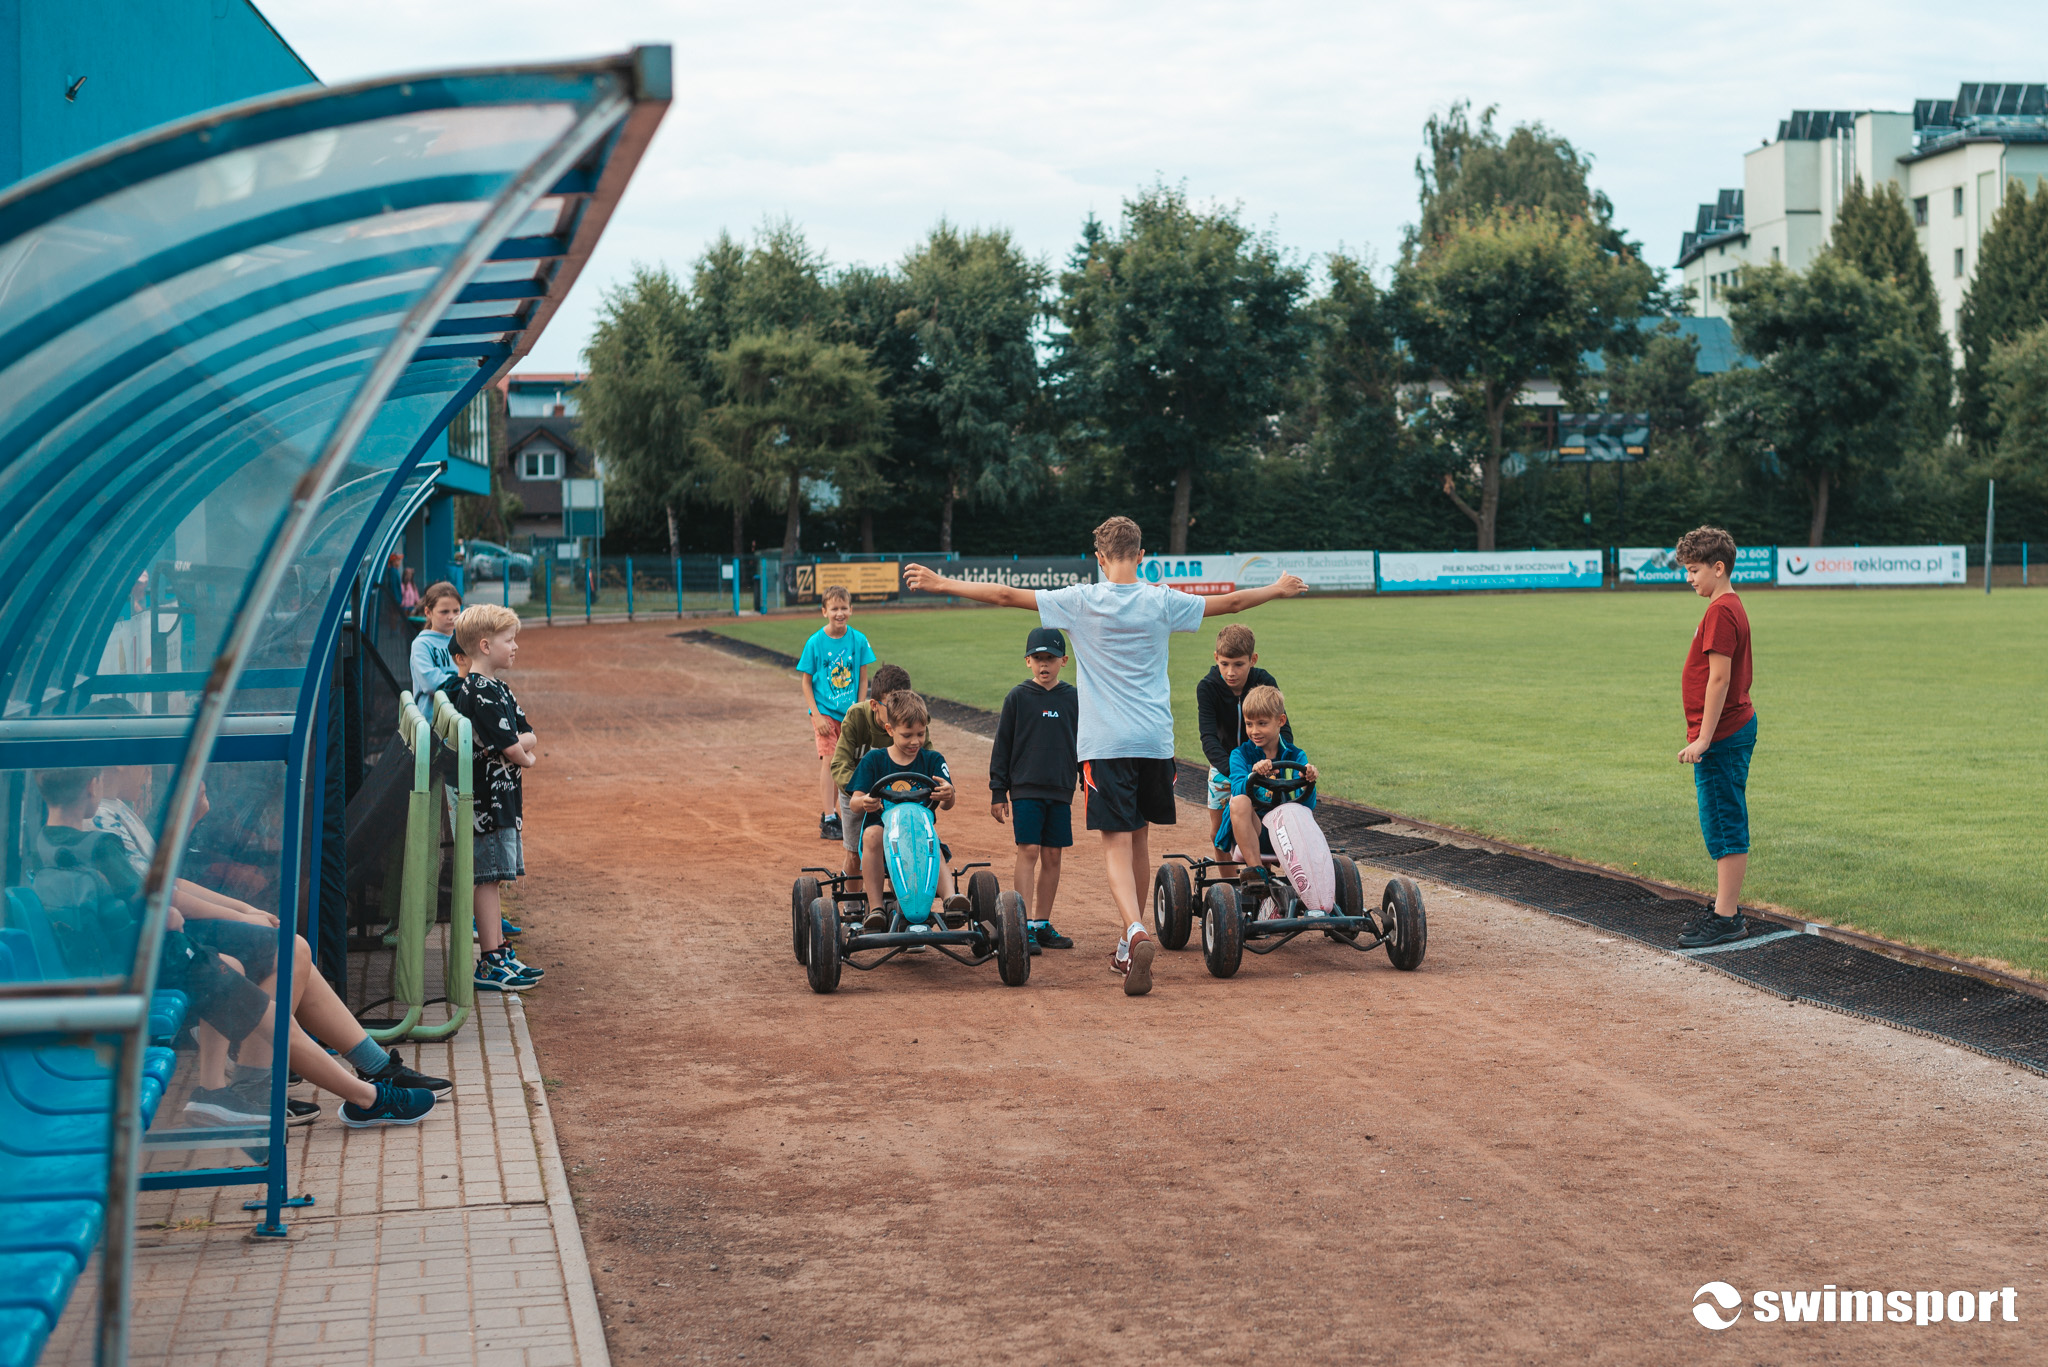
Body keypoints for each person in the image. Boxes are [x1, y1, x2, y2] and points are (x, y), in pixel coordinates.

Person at [904, 517, 1304, 997]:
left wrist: (941, 583)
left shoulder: (1081, 600)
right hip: (1155, 742)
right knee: (1140, 838)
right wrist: (1278, 588)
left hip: (1108, 745)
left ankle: (1134, 932)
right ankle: (1127, 941)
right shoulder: (1161, 599)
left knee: (1115, 843)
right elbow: (1233, 603)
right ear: (1141, 555)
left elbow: (1006, 595)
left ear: (1098, 558)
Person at [33, 768, 436, 1128]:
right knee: (273, 1001)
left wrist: (236, 909)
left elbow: (153, 886)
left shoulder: (49, 840)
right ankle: (363, 1096)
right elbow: (158, 897)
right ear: (94, 785)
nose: (150, 774)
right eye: (144, 764)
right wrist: (187, 911)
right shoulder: (100, 839)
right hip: (158, 958)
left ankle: (232, 1091)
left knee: (246, 970)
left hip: (136, 960)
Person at [446, 604, 544, 990]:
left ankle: (499, 951)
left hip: (501, 798)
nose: (515, 646)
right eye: (509, 640)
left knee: (494, 877)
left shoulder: (497, 687)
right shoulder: (479, 691)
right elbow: (514, 746)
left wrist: (519, 747)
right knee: (486, 877)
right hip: (486, 802)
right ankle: (489, 961)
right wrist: (525, 756)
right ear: (485, 646)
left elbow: (526, 731)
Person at [1673, 526, 1757, 949]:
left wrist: (1704, 738)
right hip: (1726, 730)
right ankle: (1725, 910)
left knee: (1724, 821)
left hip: (1723, 734)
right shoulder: (1723, 606)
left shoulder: (1722, 611)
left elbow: (1720, 678)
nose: (1689, 578)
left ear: (1718, 567)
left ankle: (1727, 918)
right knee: (1721, 818)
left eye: (1694, 570)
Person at [846, 690, 969, 933]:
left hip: (918, 829)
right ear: (890, 730)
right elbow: (854, 802)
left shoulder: (932, 760)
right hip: (882, 830)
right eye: (907, 735)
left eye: (920, 734)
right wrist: (866, 801)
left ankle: (951, 899)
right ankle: (876, 908)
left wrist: (949, 794)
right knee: (871, 834)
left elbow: (947, 802)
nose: (915, 741)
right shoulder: (874, 760)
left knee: (930, 837)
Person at [989, 627, 1078, 953]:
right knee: (1028, 850)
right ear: (1028, 661)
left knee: (1053, 854)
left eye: (1050, 658)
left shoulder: (1073, 698)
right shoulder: (1018, 697)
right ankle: (1021, 924)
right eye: (1038, 658)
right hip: (1025, 787)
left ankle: (1041, 924)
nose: (1044, 664)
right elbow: (1002, 746)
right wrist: (998, 790)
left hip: (1060, 788)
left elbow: (1083, 742)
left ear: (1063, 661)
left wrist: (1086, 778)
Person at [1195, 624, 1292, 877]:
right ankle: (1229, 887)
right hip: (1224, 768)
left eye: (1239, 664)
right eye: (1224, 664)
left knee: (1263, 824)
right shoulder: (1208, 687)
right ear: (1216, 657)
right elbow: (1208, 738)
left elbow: (1283, 728)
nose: (1231, 672)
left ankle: (1261, 879)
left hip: (1264, 766)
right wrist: (1237, 771)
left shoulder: (1264, 681)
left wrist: (1279, 760)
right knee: (1219, 834)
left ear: (1253, 659)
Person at [1220, 686, 1318, 916]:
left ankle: (1314, 890)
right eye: (1249, 724)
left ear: (1280, 721)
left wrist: (1308, 781)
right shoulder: (1241, 755)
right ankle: (1256, 873)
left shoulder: (1295, 755)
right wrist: (1253, 775)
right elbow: (1237, 787)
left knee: (1300, 814)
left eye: (1262, 723)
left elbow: (1307, 806)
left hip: (1287, 834)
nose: (1254, 731)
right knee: (1239, 801)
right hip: (1253, 831)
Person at [796, 584, 874, 843]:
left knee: (847, 762)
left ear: (851, 609)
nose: (839, 613)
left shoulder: (858, 640)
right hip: (825, 712)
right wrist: (817, 716)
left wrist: (860, 709)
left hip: (849, 713)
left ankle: (838, 813)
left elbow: (863, 679)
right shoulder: (815, 642)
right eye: (834, 609)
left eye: (844, 608)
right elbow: (806, 682)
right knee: (830, 761)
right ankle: (829, 817)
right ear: (824, 611)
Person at [830, 663, 913, 899]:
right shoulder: (856, 716)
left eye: (903, 703)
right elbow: (839, 764)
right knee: (855, 852)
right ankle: (853, 906)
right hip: (858, 793)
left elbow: (928, 757)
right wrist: (860, 793)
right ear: (875, 705)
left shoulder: (910, 720)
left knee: (903, 848)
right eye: (892, 705)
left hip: (898, 793)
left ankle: (901, 903)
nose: (900, 711)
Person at [409, 581, 461, 700]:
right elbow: (431, 683)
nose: (451, 617)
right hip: (432, 712)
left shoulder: (463, 641)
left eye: (456, 611)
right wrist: (465, 687)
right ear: (428, 612)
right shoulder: (421, 644)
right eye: (444, 612)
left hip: (459, 711)